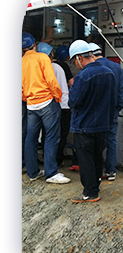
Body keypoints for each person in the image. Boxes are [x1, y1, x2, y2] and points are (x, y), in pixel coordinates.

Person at [68, 40, 117, 203]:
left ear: (79, 58)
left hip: (84, 126)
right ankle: (95, 186)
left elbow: (73, 102)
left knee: (86, 160)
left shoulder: (83, 76)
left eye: (74, 60)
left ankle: (90, 193)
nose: (75, 64)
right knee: (97, 157)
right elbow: (114, 99)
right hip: (103, 125)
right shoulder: (109, 72)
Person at [21, 32, 70, 184]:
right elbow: (51, 80)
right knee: (51, 137)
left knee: (31, 138)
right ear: (34, 45)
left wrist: (28, 98)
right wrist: (57, 97)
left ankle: (33, 172)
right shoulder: (42, 57)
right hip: (47, 102)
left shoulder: (21, 62)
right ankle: (51, 173)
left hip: (31, 104)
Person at [88, 42, 123, 181]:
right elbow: (122, 94)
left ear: (91, 54)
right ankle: (111, 171)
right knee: (111, 140)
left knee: (95, 142)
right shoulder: (116, 67)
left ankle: (96, 173)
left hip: (94, 113)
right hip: (111, 112)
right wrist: (116, 109)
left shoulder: (90, 68)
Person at [37, 43, 71, 167]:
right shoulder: (56, 67)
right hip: (62, 104)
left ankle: (48, 160)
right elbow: (68, 83)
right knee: (60, 135)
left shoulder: (40, 67)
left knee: (48, 134)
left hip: (48, 105)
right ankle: (57, 160)